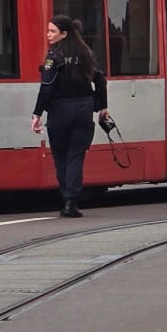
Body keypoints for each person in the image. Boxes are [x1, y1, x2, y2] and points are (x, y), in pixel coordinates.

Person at [30, 14, 110, 217]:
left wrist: (37, 113)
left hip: (59, 111)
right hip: (84, 109)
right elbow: (100, 80)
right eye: (48, 30)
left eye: (52, 31)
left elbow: (46, 88)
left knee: (60, 156)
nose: (48, 35)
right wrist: (103, 107)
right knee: (76, 156)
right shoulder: (86, 53)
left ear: (64, 34)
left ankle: (66, 198)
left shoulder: (54, 56)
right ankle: (71, 202)